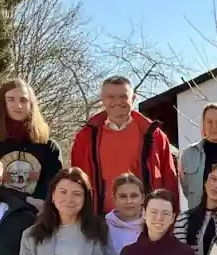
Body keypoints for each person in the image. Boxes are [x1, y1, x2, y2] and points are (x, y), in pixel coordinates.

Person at [70, 75, 178, 213]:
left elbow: (170, 182)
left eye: (123, 96)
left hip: (145, 221)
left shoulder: (154, 136)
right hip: (99, 222)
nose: (117, 101)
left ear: (133, 98)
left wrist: (170, 219)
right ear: (102, 99)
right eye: (111, 97)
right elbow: (75, 181)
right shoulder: (85, 137)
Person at [0, 80, 62, 206]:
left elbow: (53, 185)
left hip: (38, 216)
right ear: (2, 104)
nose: (18, 105)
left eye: (23, 100)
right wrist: (25, 200)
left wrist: (38, 205)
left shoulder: (48, 147)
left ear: (31, 104)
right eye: (11, 99)